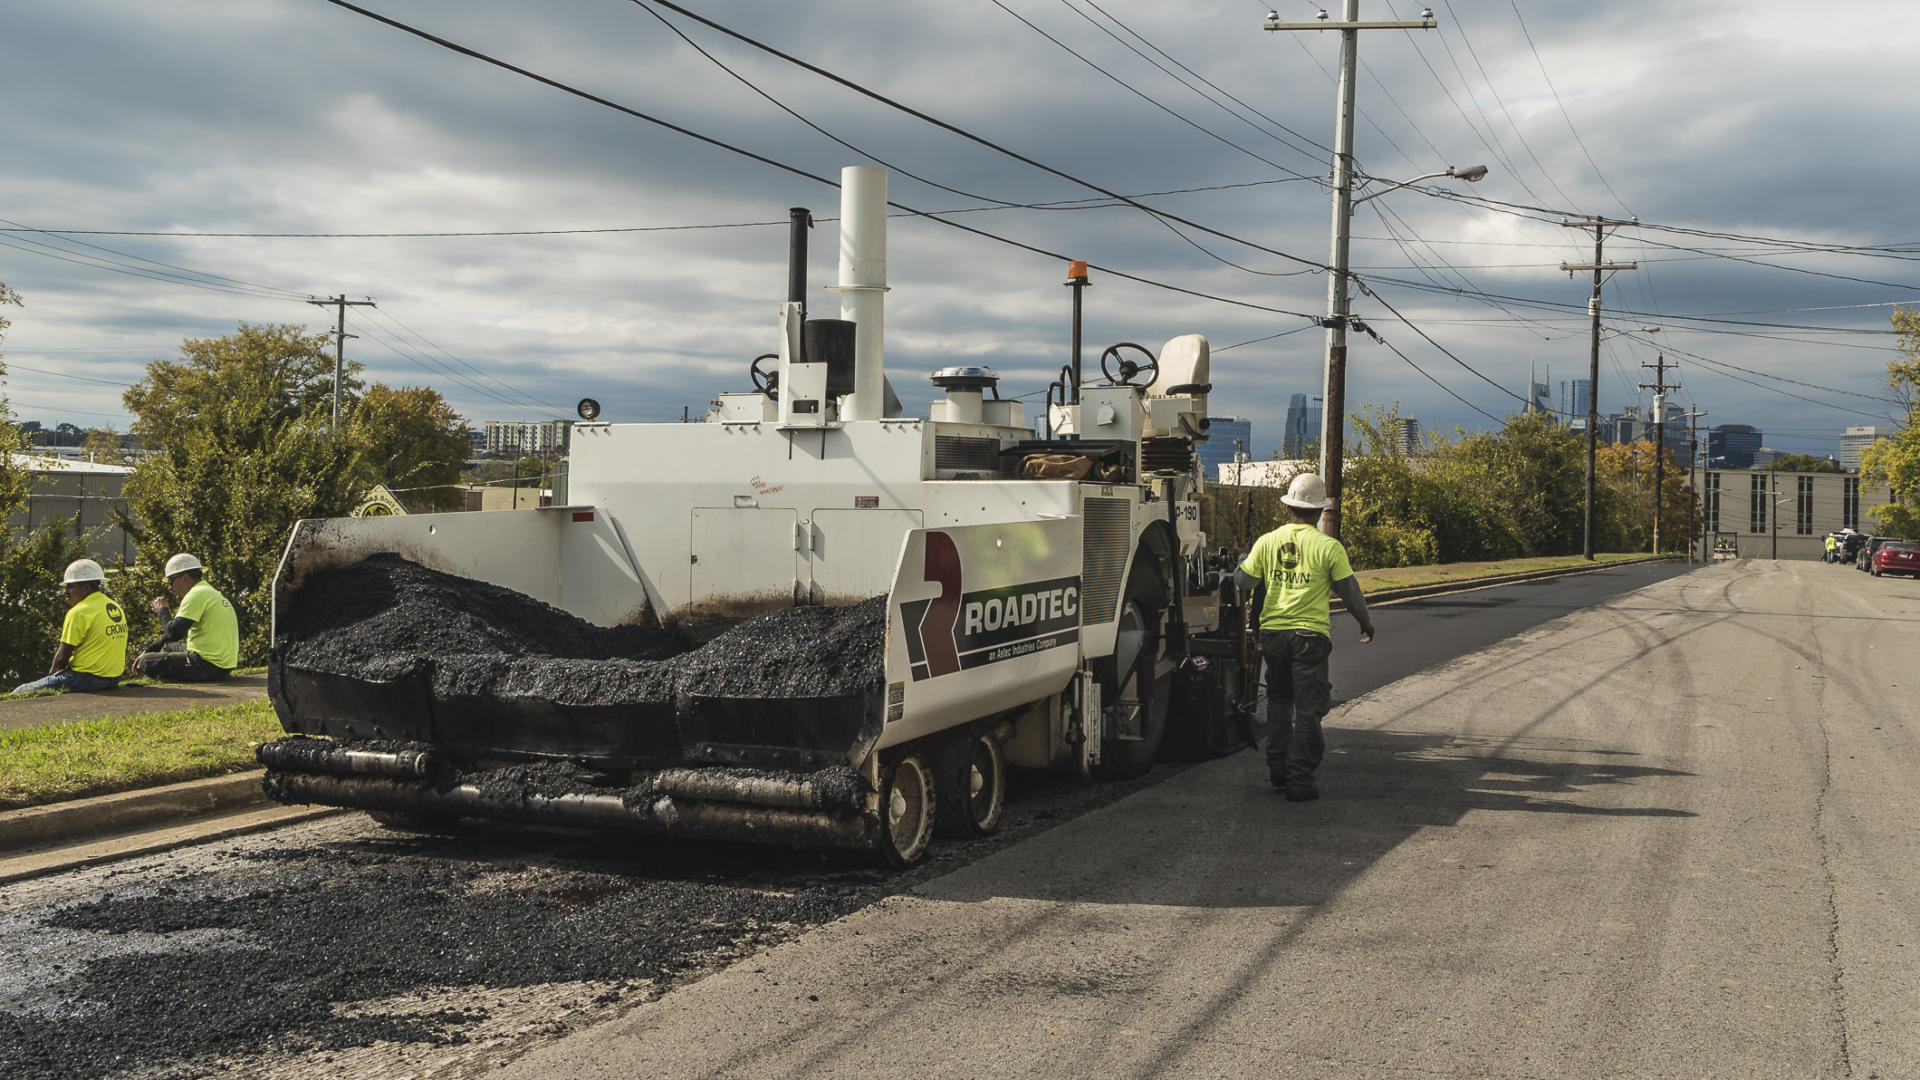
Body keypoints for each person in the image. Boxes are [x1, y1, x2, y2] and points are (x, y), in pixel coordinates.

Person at [1235, 473, 1376, 802]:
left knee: (1280, 700)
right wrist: (1365, 623)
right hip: (1309, 637)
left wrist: (1242, 558)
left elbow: (1243, 582)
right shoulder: (1328, 547)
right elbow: (1349, 592)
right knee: (1309, 707)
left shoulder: (1267, 542)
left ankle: (1278, 768)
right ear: (1319, 511)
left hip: (1273, 635)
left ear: (1288, 508)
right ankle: (1300, 778)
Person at [12, 559, 128, 695]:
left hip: (87, 679)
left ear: (86, 588)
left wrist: (51, 680)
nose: (65, 592)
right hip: (113, 679)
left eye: (70, 587)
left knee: (21, 691)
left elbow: (62, 657)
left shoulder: (79, 612)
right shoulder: (114, 606)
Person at [132, 553, 239, 682]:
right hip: (222, 666)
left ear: (185, 578)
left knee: (146, 662)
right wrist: (148, 650)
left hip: (207, 665)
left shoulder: (196, 595)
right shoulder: (207, 591)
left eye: (171, 580)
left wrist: (162, 610)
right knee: (166, 647)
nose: (169, 587)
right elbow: (173, 634)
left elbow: (174, 633)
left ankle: (166, 680)